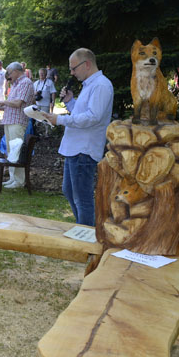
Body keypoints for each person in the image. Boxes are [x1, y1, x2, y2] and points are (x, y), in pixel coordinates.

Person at [41, 48, 114, 226]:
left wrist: (60, 120)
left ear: (87, 64)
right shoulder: (90, 85)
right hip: (75, 148)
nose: (72, 73)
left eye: (74, 68)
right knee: (69, 191)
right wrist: (70, 102)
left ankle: (88, 236)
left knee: (82, 198)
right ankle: (85, 228)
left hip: (84, 150)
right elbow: (82, 114)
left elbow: (92, 118)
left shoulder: (101, 85)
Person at [0, 62, 35, 188]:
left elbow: (18, 103)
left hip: (18, 122)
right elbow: (9, 106)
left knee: (16, 151)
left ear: (16, 71)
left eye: (9, 72)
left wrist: (4, 101)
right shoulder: (15, 84)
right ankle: (13, 178)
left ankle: (19, 181)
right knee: (10, 152)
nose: (8, 75)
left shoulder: (26, 83)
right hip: (9, 120)